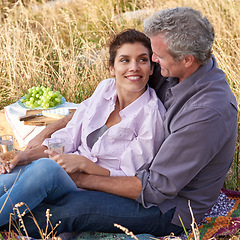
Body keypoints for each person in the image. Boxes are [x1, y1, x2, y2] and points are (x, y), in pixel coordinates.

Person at [1, 7, 238, 238]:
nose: (151, 62)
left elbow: (154, 189)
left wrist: (81, 176)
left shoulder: (205, 113)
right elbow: (94, 106)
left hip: (168, 208)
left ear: (187, 59)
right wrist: (50, 129)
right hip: (133, 179)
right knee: (26, 174)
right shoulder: (178, 63)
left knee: (70, 208)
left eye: (156, 57)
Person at [0, 29, 166, 227]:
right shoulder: (105, 88)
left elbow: (130, 176)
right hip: (63, 172)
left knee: (45, 169)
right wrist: (23, 156)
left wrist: (84, 164)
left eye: (142, 60)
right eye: (124, 60)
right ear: (111, 67)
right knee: (8, 176)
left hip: (93, 190)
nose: (134, 67)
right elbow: (67, 139)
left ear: (151, 68)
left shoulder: (152, 114)